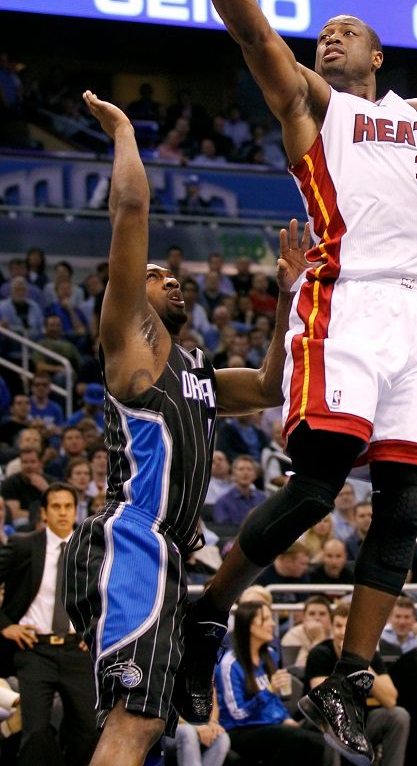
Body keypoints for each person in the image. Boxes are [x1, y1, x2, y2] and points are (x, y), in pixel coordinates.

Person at [153, 0, 417, 765]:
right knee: (316, 487)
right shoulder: (312, 109)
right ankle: (206, 612)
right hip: (345, 299)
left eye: (348, 30)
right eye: (324, 32)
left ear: (378, 54)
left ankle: (347, 678)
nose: (332, 37)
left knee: (402, 507)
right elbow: (250, 33)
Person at [63, 91, 310, 766]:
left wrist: (288, 296)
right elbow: (132, 209)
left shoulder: (195, 374)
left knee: (152, 727)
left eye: (173, 273)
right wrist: (122, 132)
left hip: (168, 552)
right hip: (132, 536)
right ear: (124, 297)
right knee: (134, 724)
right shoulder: (130, 348)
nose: (170, 277)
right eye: (154, 274)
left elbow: (265, 387)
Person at [0, 482, 97, 765]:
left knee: (89, 731)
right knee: (36, 731)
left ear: (75, 511)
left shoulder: (90, 550)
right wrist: (5, 624)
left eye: (68, 506)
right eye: (56, 506)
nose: (63, 513)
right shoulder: (23, 545)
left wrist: (92, 630)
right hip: (34, 649)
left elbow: (107, 595)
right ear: (43, 512)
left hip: (77, 651)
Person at [215, 600, 327, 766]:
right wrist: (269, 689)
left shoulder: (270, 654)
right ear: (250, 626)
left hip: (271, 725)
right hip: (240, 730)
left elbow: (275, 700)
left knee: (320, 733)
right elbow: (237, 714)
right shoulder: (229, 664)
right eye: (266, 619)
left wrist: (285, 718)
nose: (272, 623)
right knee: (299, 740)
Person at [307, 601, 410, 766]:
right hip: (323, 724)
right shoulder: (320, 654)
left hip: (360, 724)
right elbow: (326, 704)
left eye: (347, 627)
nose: (342, 632)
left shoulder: (370, 655)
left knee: (398, 715)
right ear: (332, 628)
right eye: (338, 626)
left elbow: (390, 700)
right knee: (334, 725)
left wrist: (359, 663)